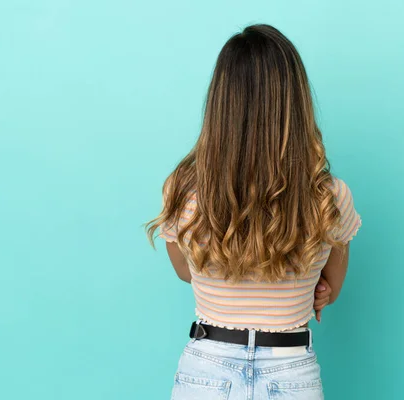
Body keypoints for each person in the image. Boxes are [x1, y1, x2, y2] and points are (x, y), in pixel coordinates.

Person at [146, 24, 362, 400]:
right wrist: (315, 286)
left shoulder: (182, 189)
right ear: (295, 101)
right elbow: (330, 286)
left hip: (207, 368)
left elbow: (186, 271)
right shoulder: (329, 196)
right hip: (291, 369)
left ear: (220, 103)